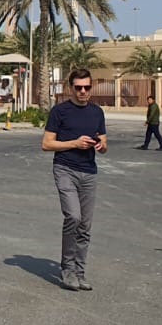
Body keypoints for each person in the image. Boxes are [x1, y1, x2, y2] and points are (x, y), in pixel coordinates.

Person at [43, 67, 106, 291]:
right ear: (71, 88)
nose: (82, 92)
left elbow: (104, 143)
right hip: (65, 169)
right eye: (78, 88)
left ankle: (80, 272)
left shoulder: (97, 113)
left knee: (85, 226)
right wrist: (74, 143)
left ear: (91, 87)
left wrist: (100, 144)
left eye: (86, 87)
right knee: (74, 216)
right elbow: (47, 144)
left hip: (89, 172)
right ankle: (67, 268)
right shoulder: (60, 111)